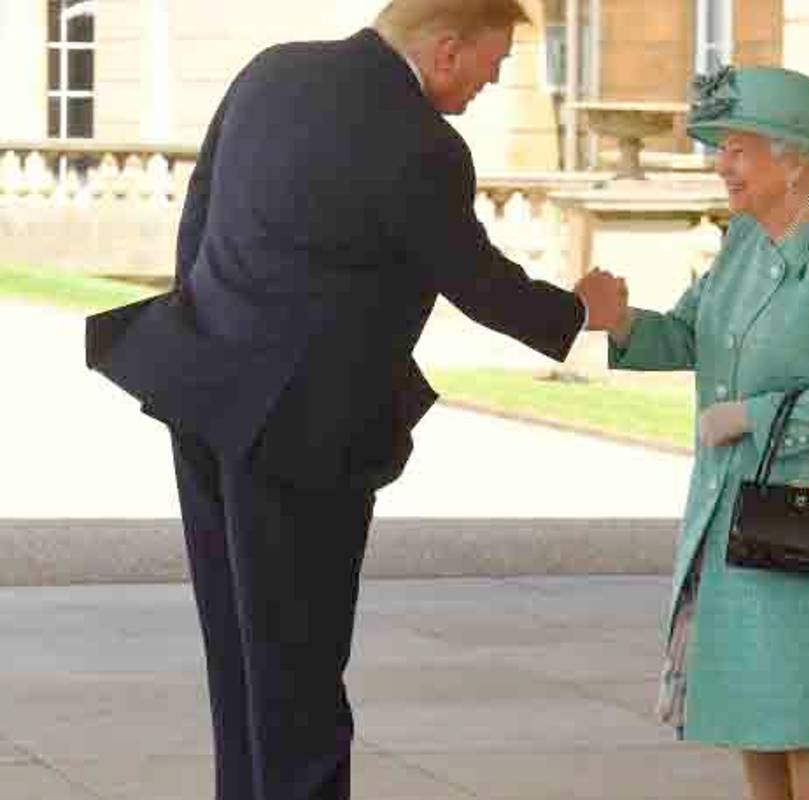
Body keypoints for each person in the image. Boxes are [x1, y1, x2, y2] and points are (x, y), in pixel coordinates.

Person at [84, 1, 625, 798]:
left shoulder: (271, 71)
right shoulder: (423, 145)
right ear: (446, 50)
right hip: (303, 434)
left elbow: (197, 221)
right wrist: (583, 311)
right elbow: (479, 283)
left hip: (202, 392)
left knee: (240, 660)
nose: (491, 83)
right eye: (494, 63)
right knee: (300, 674)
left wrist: (209, 333)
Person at [596, 66, 809, 800]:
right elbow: (686, 333)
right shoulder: (743, 239)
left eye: (737, 149)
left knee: (805, 705)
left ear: (793, 156)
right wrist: (619, 321)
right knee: (752, 698)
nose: (721, 165)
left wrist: (753, 415)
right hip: (732, 502)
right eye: (721, 149)